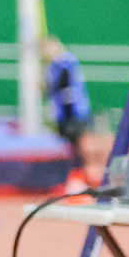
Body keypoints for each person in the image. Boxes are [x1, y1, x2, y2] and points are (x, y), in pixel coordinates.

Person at [41, 38, 92, 179]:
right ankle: (72, 174)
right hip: (64, 112)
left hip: (72, 112)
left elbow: (65, 88)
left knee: (74, 145)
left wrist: (68, 113)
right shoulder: (54, 65)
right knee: (68, 145)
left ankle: (77, 175)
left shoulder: (65, 62)